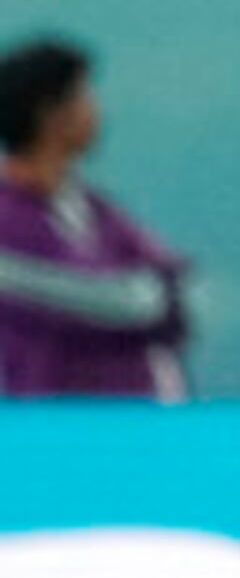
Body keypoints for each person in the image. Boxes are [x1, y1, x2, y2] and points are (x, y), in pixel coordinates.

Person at [0, 38, 190, 400]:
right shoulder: (9, 218)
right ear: (51, 114)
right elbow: (124, 304)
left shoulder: (95, 209)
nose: (96, 111)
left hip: (140, 416)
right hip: (66, 422)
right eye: (84, 97)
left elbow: (166, 286)